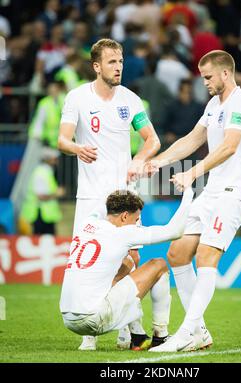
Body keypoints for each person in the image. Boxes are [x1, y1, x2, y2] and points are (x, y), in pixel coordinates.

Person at [146, 50, 241, 352]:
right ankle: (200, 332)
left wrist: (192, 172)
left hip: (234, 193)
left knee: (206, 256)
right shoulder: (213, 104)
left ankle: (186, 333)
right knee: (178, 253)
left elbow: (229, 147)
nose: (204, 82)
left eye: (208, 77)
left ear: (225, 73)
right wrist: (159, 162)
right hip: (212, 192)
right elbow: (193, 139)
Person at [58, 38, 161, 351]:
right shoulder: (76, 98)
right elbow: (62, 139)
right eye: (112, 62)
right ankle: (90, 333)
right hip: (90, 197)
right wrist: (77, 147)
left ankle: (127, 329)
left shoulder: (130, 100)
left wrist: (140, 159)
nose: (118, 67)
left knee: (130, 259)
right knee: (91, 262)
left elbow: (152, 140)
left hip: (123, 197)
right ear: (96, 66)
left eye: (121, 61)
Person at [60, 186, 194, 348]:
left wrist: (125, 190)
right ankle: (161, 337)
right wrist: (188, 193)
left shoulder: (88, 222)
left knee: (127, 262)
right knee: (158, 264)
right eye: (136, 219)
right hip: (93, 319)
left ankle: (133, 335)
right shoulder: (123, 234)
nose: (136, 224)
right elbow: (175, 231)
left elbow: (105, 203)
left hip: (68, 319)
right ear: (124, 216)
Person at [20, 146, 65, 235]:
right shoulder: (41, 173)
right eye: (55, 158)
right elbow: (41, 196)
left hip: (44, 215)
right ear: (49, 159)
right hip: (40, 216)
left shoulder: (46, 172)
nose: (57, 161)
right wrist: (57, 193)